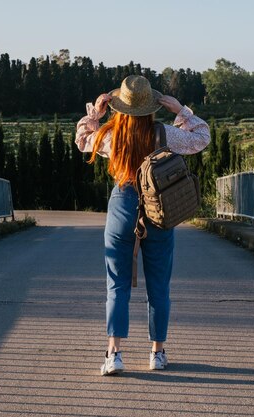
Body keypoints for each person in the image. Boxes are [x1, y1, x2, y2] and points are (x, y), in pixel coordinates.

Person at [75, 75, 210, 375]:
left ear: (119, 107)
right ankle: (157, 354)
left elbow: (82, 140)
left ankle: (114, 354)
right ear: (151, 107)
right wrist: (181, 112)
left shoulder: (110, 135)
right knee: (159, 286)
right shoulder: (164, 134)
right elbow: (202, 137)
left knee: (117, 284)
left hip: (122, 206)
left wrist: (95, 114)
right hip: (158, 208)